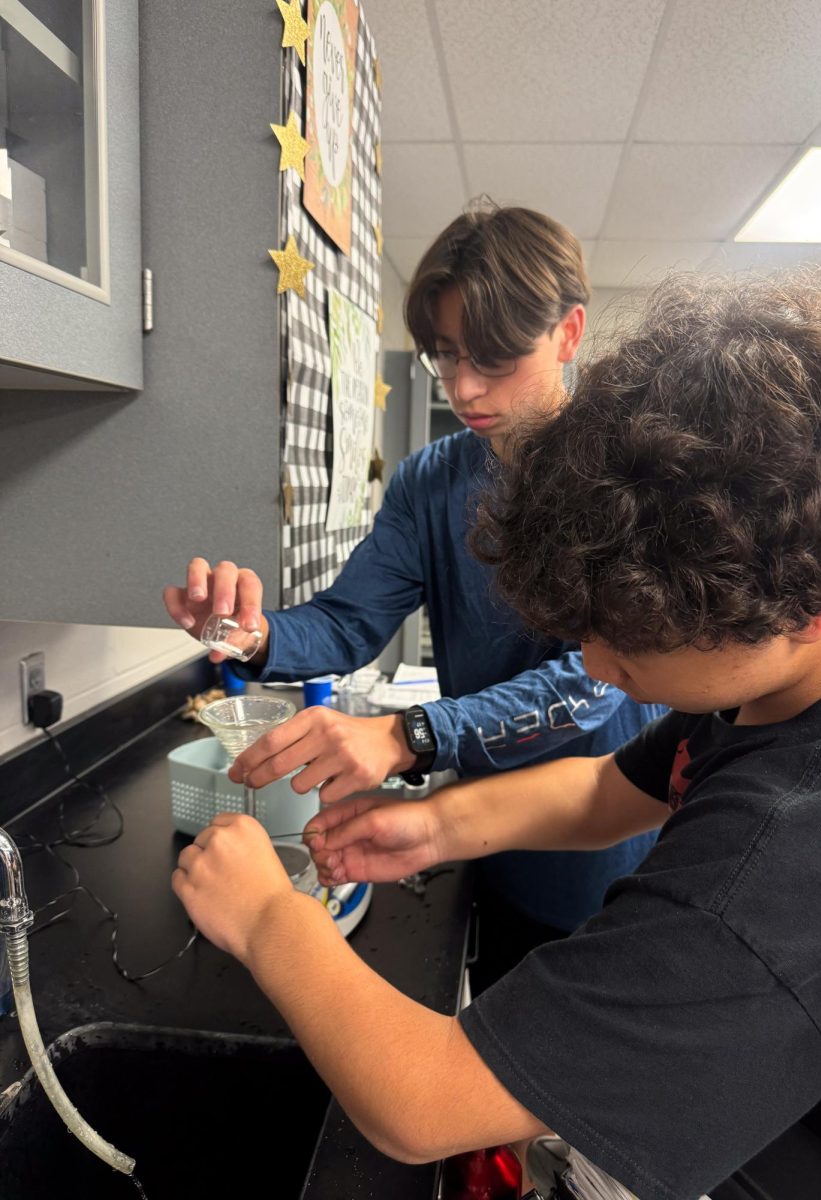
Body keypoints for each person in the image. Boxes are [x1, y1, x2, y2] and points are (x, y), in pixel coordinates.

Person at [173, 271, 821, 1200]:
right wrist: (428, 829)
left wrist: (268, 917)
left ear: (814, 601)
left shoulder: (784, 860)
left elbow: (423, 1105)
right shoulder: (782, 689)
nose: (595, 667)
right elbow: (606, 790)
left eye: (629, 642)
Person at [164, 203, 665, 987]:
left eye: (494, 360)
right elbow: (347, 622)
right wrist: (252, 635)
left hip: (601, 858)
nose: (464, 389)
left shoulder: (627, 477)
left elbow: (597, 683)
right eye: (445, 357)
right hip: (476, 838)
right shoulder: (432, 480)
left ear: (568, 334)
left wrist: (410, 737)